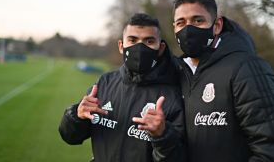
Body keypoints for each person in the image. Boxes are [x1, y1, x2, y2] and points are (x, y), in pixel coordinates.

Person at [172, 0, 274, 162]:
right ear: (174, 28)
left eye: (197, 20)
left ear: (216, 26)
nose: (188, 29)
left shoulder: (247, 67)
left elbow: (272, 149)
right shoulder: (177, 73)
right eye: (181, 22)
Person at [59, 13, 186, 162]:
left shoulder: (172, 96)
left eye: (149, 41)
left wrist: (163, 135)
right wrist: (76, 116)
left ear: (160, 48)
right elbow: (70, 137)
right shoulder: (104, 83)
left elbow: (178, 157)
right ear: (121, 46)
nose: (140, 47)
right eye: (132, 40)